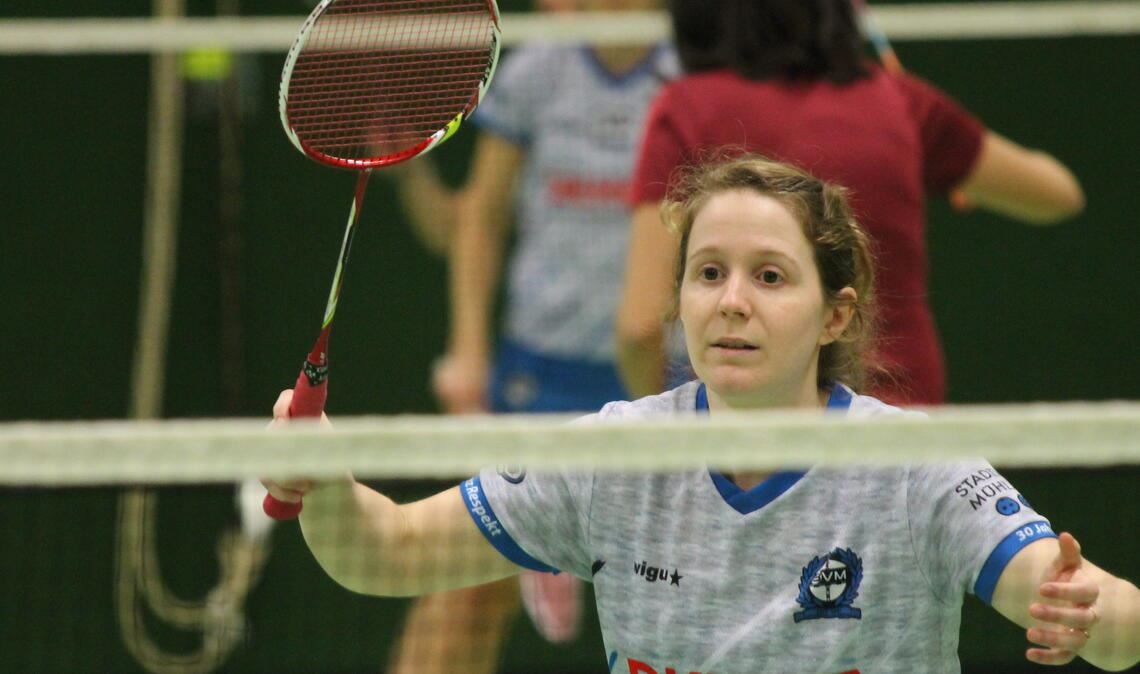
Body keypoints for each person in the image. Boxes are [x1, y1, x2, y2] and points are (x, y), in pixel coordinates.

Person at [265, 155, 1139, 673]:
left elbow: (1109, 618)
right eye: (708, 272)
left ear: (834, 313)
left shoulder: (916, 469)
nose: (730, 302)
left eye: (769, 277)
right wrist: (326, 479)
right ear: (677, 298)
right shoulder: (615, 457)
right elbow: (382, 552)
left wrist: (1088, 614)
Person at [386, 0, 680, 670]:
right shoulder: (534, 74)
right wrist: (468, 351)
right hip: (536, 379)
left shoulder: (693, 78)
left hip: (653, 385)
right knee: (465, 595)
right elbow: (478, 220)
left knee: (686, 591)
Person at [616, 0, 1085, 405]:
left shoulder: (687, 107)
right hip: (908, 424)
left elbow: (640, 328)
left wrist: (670, 432)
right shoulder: (901, 101)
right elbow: (1057, 194)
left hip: (752, 431)